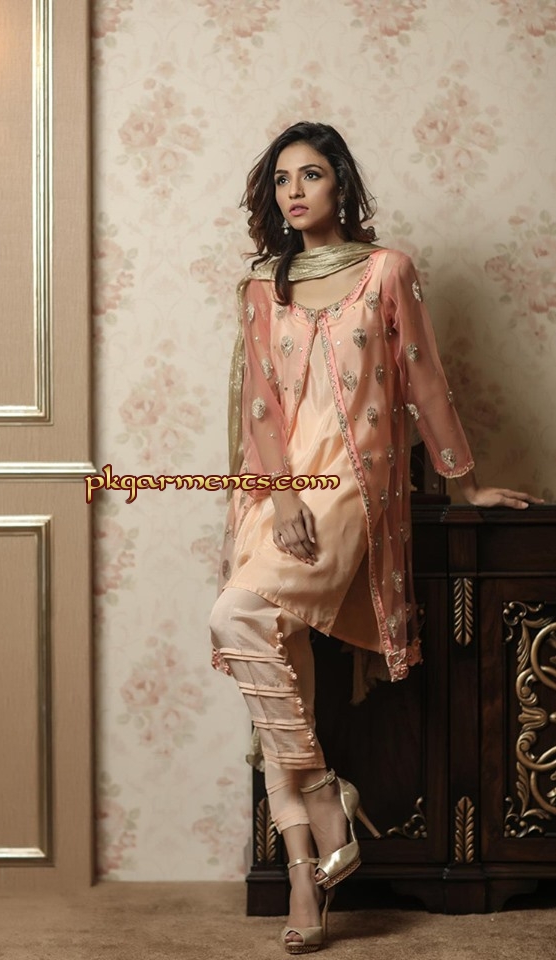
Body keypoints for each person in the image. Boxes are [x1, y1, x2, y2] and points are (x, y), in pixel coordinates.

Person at [208, 121, 540, 955]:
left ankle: (325, 795)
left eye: (310, 174)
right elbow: (259, 407)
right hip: (275, 490)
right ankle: (307, 873)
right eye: (281, 178)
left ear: (340, 185)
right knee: (272, 655)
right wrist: (279, 495)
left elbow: (424, 377)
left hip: (354, 485)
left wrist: (463, 482)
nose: (293, 191)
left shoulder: (385, 270)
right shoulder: (264, 286)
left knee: (237, 618)